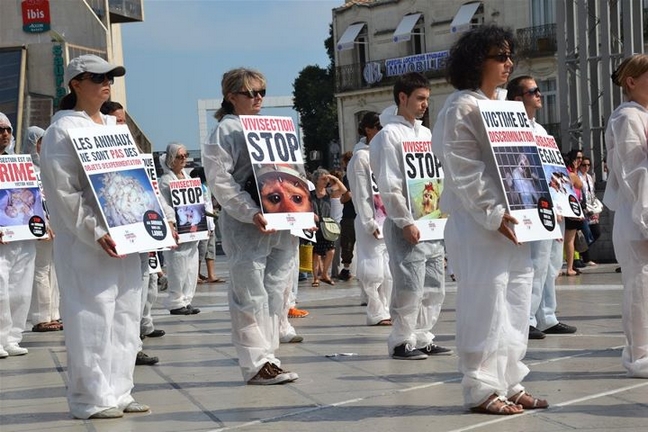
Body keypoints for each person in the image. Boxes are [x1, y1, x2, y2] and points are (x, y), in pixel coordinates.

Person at [432, 26, 548, 415]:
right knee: (485, 301)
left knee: (516, 300)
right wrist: (493, 212)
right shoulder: (460, 106)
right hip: (481, 223)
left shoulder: (506, 106)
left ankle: (510, 380)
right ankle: (480, 387)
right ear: (476, 61)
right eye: (500, 56)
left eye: (510, 55)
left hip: (518, 218)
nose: (508, 63)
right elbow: (462, 168)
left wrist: (539, 203)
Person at [39, 54, 149, 418]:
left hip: (128, 235)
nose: (106, 83)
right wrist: (93, 229)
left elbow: (137, 181)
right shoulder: (62, 130)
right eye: (97, 77)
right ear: (75, 84)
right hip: (87, 241)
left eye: (110, 77)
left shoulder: (115, 128)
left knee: (126, 313)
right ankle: (90, 397)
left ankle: (119, 389)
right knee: (92, 313)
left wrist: (156, 223)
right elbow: (63, 191)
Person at [203, 68, 298, 385]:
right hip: (248, 225)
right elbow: (221, 181)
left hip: (282, 220)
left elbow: (292, 171)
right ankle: (255, 362)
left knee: (274, 292)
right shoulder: (225, 131)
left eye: (262, 92)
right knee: (249, 294)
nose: (258, 98)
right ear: (232, 97)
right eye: (250, 93)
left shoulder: (273, 129)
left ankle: (269, 356)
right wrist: (248, 211)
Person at [369, 72, 450, 361]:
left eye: (427, 99)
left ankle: (423, 336)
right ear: (402, 98)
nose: (425, 104)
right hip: (408, 224)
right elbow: (389, 184)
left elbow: (437, 176)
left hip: (431, 220)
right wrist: (404, 221)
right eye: (420, 98)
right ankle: (401, 340)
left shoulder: (426, 135)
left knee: (433, 285)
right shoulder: (388, 136)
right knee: (408, 285)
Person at [506, 75, 577, 340]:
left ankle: (547, 315)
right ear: (518, 98)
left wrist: (562, 201)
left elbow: (553, 169)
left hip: (552, 204)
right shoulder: (514, 130)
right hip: (530, 202)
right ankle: (527, 318)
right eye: (533, 91)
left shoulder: (542, 131)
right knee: (534, 263)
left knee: (551, 262)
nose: (539, 95)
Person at [603, 53, 648, 378]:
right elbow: (632, 175)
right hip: (636, 218)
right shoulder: (627, 117)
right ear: (631, 81)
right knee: (640, 287)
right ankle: (639, 356)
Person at [347, 111, 392, 326]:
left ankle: (388, 308)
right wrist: (368, 221)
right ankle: (376, 311)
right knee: (374, 270)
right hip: (372, 219)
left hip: (389, 218)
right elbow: (360, 192)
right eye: (379, 127)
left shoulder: (384, 153)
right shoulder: (360, 158)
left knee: (389, 271)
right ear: (368, 129)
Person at [0, 113, 37, 358]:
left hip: (23, 235)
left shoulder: (20, 163)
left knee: (21, 290)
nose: (4, 134)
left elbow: (34, 197)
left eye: (7, 130)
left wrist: (41, 225)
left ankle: (13, 337)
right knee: (1, 289)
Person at [20, 126, 63, 333]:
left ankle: (54, 313)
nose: (43, 146)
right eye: (40, 142)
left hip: (55, 224)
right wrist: (43, 223)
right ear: (32, 144)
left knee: (54, 269)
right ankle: (40, 317)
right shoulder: (26, 170)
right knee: (40, 269)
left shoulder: (49, 167)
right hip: (38, 225)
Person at [159, 142, 201, 315]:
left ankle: (187, 299)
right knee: (177, 266)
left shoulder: (188, 177)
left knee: (191, 267)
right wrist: (171, 223)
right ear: (171, 159)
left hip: (193, 228)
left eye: (185, 155)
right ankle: (176, 301)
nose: (184, 159)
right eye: (179, 156)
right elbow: (164, 205)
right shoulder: (166, 181)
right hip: (178, 228)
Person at [310, 168, 346, 286]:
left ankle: (325, 273)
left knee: (331, 250)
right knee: (316, 253)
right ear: (317, 180)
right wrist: (311, 214)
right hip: (315, 225)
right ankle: (316, 277)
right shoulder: (310, 194)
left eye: (326, 179)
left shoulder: (329, 192)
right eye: (323, 179)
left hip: (327, 225)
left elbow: (343, 190)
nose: (326, 181)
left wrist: (334, 178)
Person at [190, 166, 225, 284]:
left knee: (210, 249)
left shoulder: (206, 187)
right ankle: (197, 274)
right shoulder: (197, 188)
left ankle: (211, 274)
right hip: (202, 223)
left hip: (210, 224)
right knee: (200, 250)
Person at [563, 149, 585, 276]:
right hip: (571, 209)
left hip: (568, 208)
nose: (580, 161)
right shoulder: (571, 174)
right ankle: (570, 267)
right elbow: (580, 185)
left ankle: (564, 266)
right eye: (577, 158)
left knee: (564, 239)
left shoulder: (563, 173)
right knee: (569, 240)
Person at [578, 156, 602, 266]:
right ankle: (585, 258)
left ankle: (582, 252)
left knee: (596, 232)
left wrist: (596, 209)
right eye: (584, 165)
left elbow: (592, 193)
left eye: (588, 165)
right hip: (583, 209)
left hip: (591, 208)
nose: (586, 167)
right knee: (586, 234)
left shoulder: (590, 177)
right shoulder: (577, 176)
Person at [338, 151, 356, 281]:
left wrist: (341, 199)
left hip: (349, 214)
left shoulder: (349, 176)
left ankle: (346, 270)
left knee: (348, 242)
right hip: (362, 212)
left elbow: (347, 195)